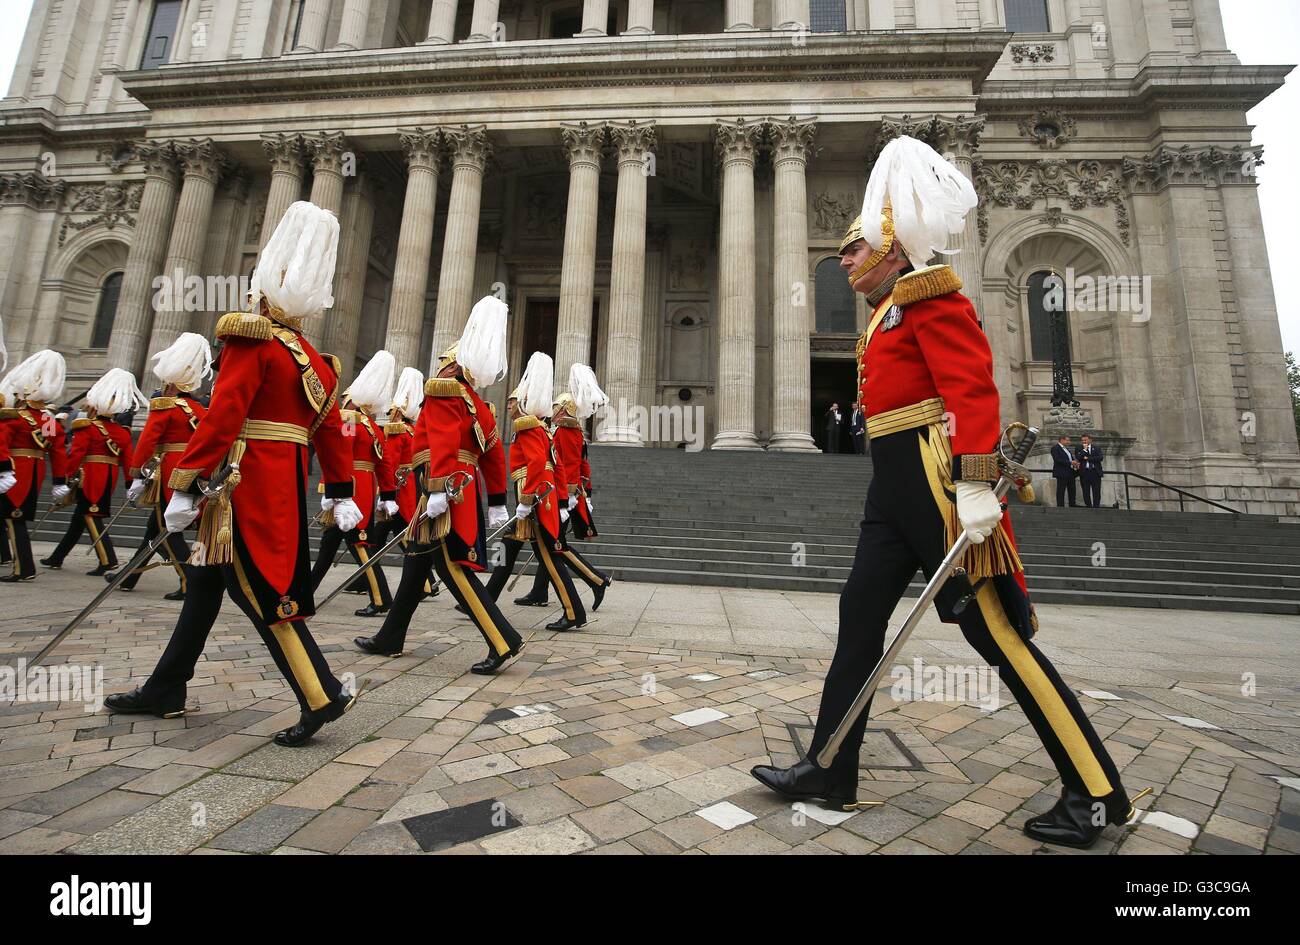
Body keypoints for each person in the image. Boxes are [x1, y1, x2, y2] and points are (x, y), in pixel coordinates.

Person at [749, 136, 1133, 849]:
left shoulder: (930, 296)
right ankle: (831, 766)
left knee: (997, 635)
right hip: (889, 489)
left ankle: (1098, 791)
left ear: (894, 250)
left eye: (857, 248)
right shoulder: (884, 314)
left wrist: (977, 484)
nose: (845, 259)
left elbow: (972, 389)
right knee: (859, 615)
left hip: (934, 482)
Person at [107, 201, 363, 746]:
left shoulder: (252, 338)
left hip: (239, 488)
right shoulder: (314, 360)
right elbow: (329, 431)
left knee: (263, 595)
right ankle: (166, 687)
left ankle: (322, 695)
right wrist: (340, 490)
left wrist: (186, 483)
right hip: (285, 483)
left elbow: (224, 416)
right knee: (203, 586)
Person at [354, 296, 523, 674]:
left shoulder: (444, 389)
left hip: (442, 492)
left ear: (451, 364)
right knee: (416, 563)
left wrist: (435, 490)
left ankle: (503, 639)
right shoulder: (479, 405)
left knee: (452, 570)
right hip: (455, 491)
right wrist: (496, 501)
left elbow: (443, 445)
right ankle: (390, 636)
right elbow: (494, 458)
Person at [490, 352, 587, 630]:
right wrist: (560, 499)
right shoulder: (541, 428)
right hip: (541, 499)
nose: (508, 406)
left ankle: (573, 612)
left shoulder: (527, 425)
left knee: (551, 556)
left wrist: (526, 500)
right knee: (519, 546)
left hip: (534, 500)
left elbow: (536, 464)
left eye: (511, 401)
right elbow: (554, 466)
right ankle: (487, 596)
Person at [110, 333, 211, 599]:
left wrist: (137, 476)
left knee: (169, 530)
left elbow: (146, 442)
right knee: (154, 529)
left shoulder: (165, 405)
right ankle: (129, 576)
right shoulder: (199, 410)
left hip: (167, 472)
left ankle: (191, 582)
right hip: (192, 472)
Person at [515, 363, 613, 611]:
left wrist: (566, 498)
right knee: (550, 547)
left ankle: (596, 580)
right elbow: (583, 466)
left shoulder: (566, 431)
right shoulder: (566, 430)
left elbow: (569, 465)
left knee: (557, 548)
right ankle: (539, 592)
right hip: (564, 495)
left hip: (562, 497)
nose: (554, 411)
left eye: (558, 408)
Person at [309, 349, 398, 617]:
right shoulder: (372, 426)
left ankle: (381, 597)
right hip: (365, 485)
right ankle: (305, 594)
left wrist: (329, 486)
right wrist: (388, 495)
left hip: (349, 486)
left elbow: (340, 452)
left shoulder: (349, 420)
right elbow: (383, 463)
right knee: (328, 547)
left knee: (360, 545)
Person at [41, 369, 140, 575]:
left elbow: (76, 454)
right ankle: (57, 557)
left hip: (91, 476)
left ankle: (108, 560)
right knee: (79, 520)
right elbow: (128, 459)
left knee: (91, 516)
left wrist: (65, 478)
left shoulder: (86, 428)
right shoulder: (121, 432)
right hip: (110, 476)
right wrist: (130, 483)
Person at [367, 366, 439, 602]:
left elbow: (389, 462)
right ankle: (424, 582)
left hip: (397, 489)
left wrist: (384, 492)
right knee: (383, 536)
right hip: (408, 487)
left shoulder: (399, 431)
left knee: (389, 536)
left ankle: (423, 582)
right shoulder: (413, 429)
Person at [0, 350, 70, 581]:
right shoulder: (48, 419)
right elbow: (57, 450)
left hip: (13, 472)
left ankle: (23, 568)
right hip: (35, 472)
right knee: (13, 519)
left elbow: (1, 443)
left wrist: (3, 471)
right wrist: (59, 481)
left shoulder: (14, 416)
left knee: (13, 519)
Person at [1075, 434, 1104, 509]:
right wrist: (1084, 450)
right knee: (1085, 491)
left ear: (1090, 440)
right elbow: (1078, 457)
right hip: (1085, 473)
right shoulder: (1079, 448)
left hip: (1095, 472)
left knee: (1096, 491)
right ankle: (1089, 506)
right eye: (1083, 440)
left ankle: (1096, 507)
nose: (1084, 442)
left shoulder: (1096, 448)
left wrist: (1087, 458)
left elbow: (1100, 458)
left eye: (1086, 440)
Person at [1050, 434, 1079, 508]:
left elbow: (1070, 459)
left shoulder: (1066, 449)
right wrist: (1070, 462)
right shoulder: (1055, 448)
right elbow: (1057, 459)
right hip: (1061, 472)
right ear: (1062, 440)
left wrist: (1074, 463)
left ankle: (1072, 503)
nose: (1068, 442)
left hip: (1070, 472)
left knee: (1072, 489)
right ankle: (1060, 505)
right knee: (1061, 489)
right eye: (1067, 440)